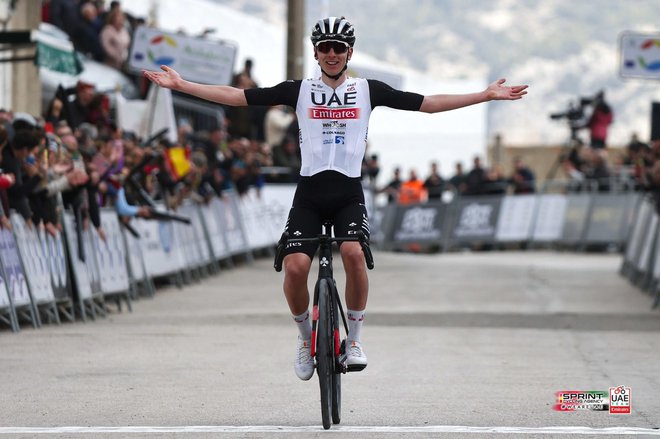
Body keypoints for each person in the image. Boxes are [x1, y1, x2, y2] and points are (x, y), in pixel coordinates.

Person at [143, 16, 527, 381]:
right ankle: (302, 337)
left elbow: (426, 103)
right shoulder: (299, 90)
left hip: (347, 192)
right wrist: (184, 86)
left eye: (338, 48)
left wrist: (484, 96)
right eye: (325, 47)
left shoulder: (366, 90)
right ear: (315, 52)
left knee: (353, 254)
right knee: (294, 268)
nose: (331, 53)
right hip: (309, 193)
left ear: (349, 52)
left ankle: (355, 340)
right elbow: (238, 96)